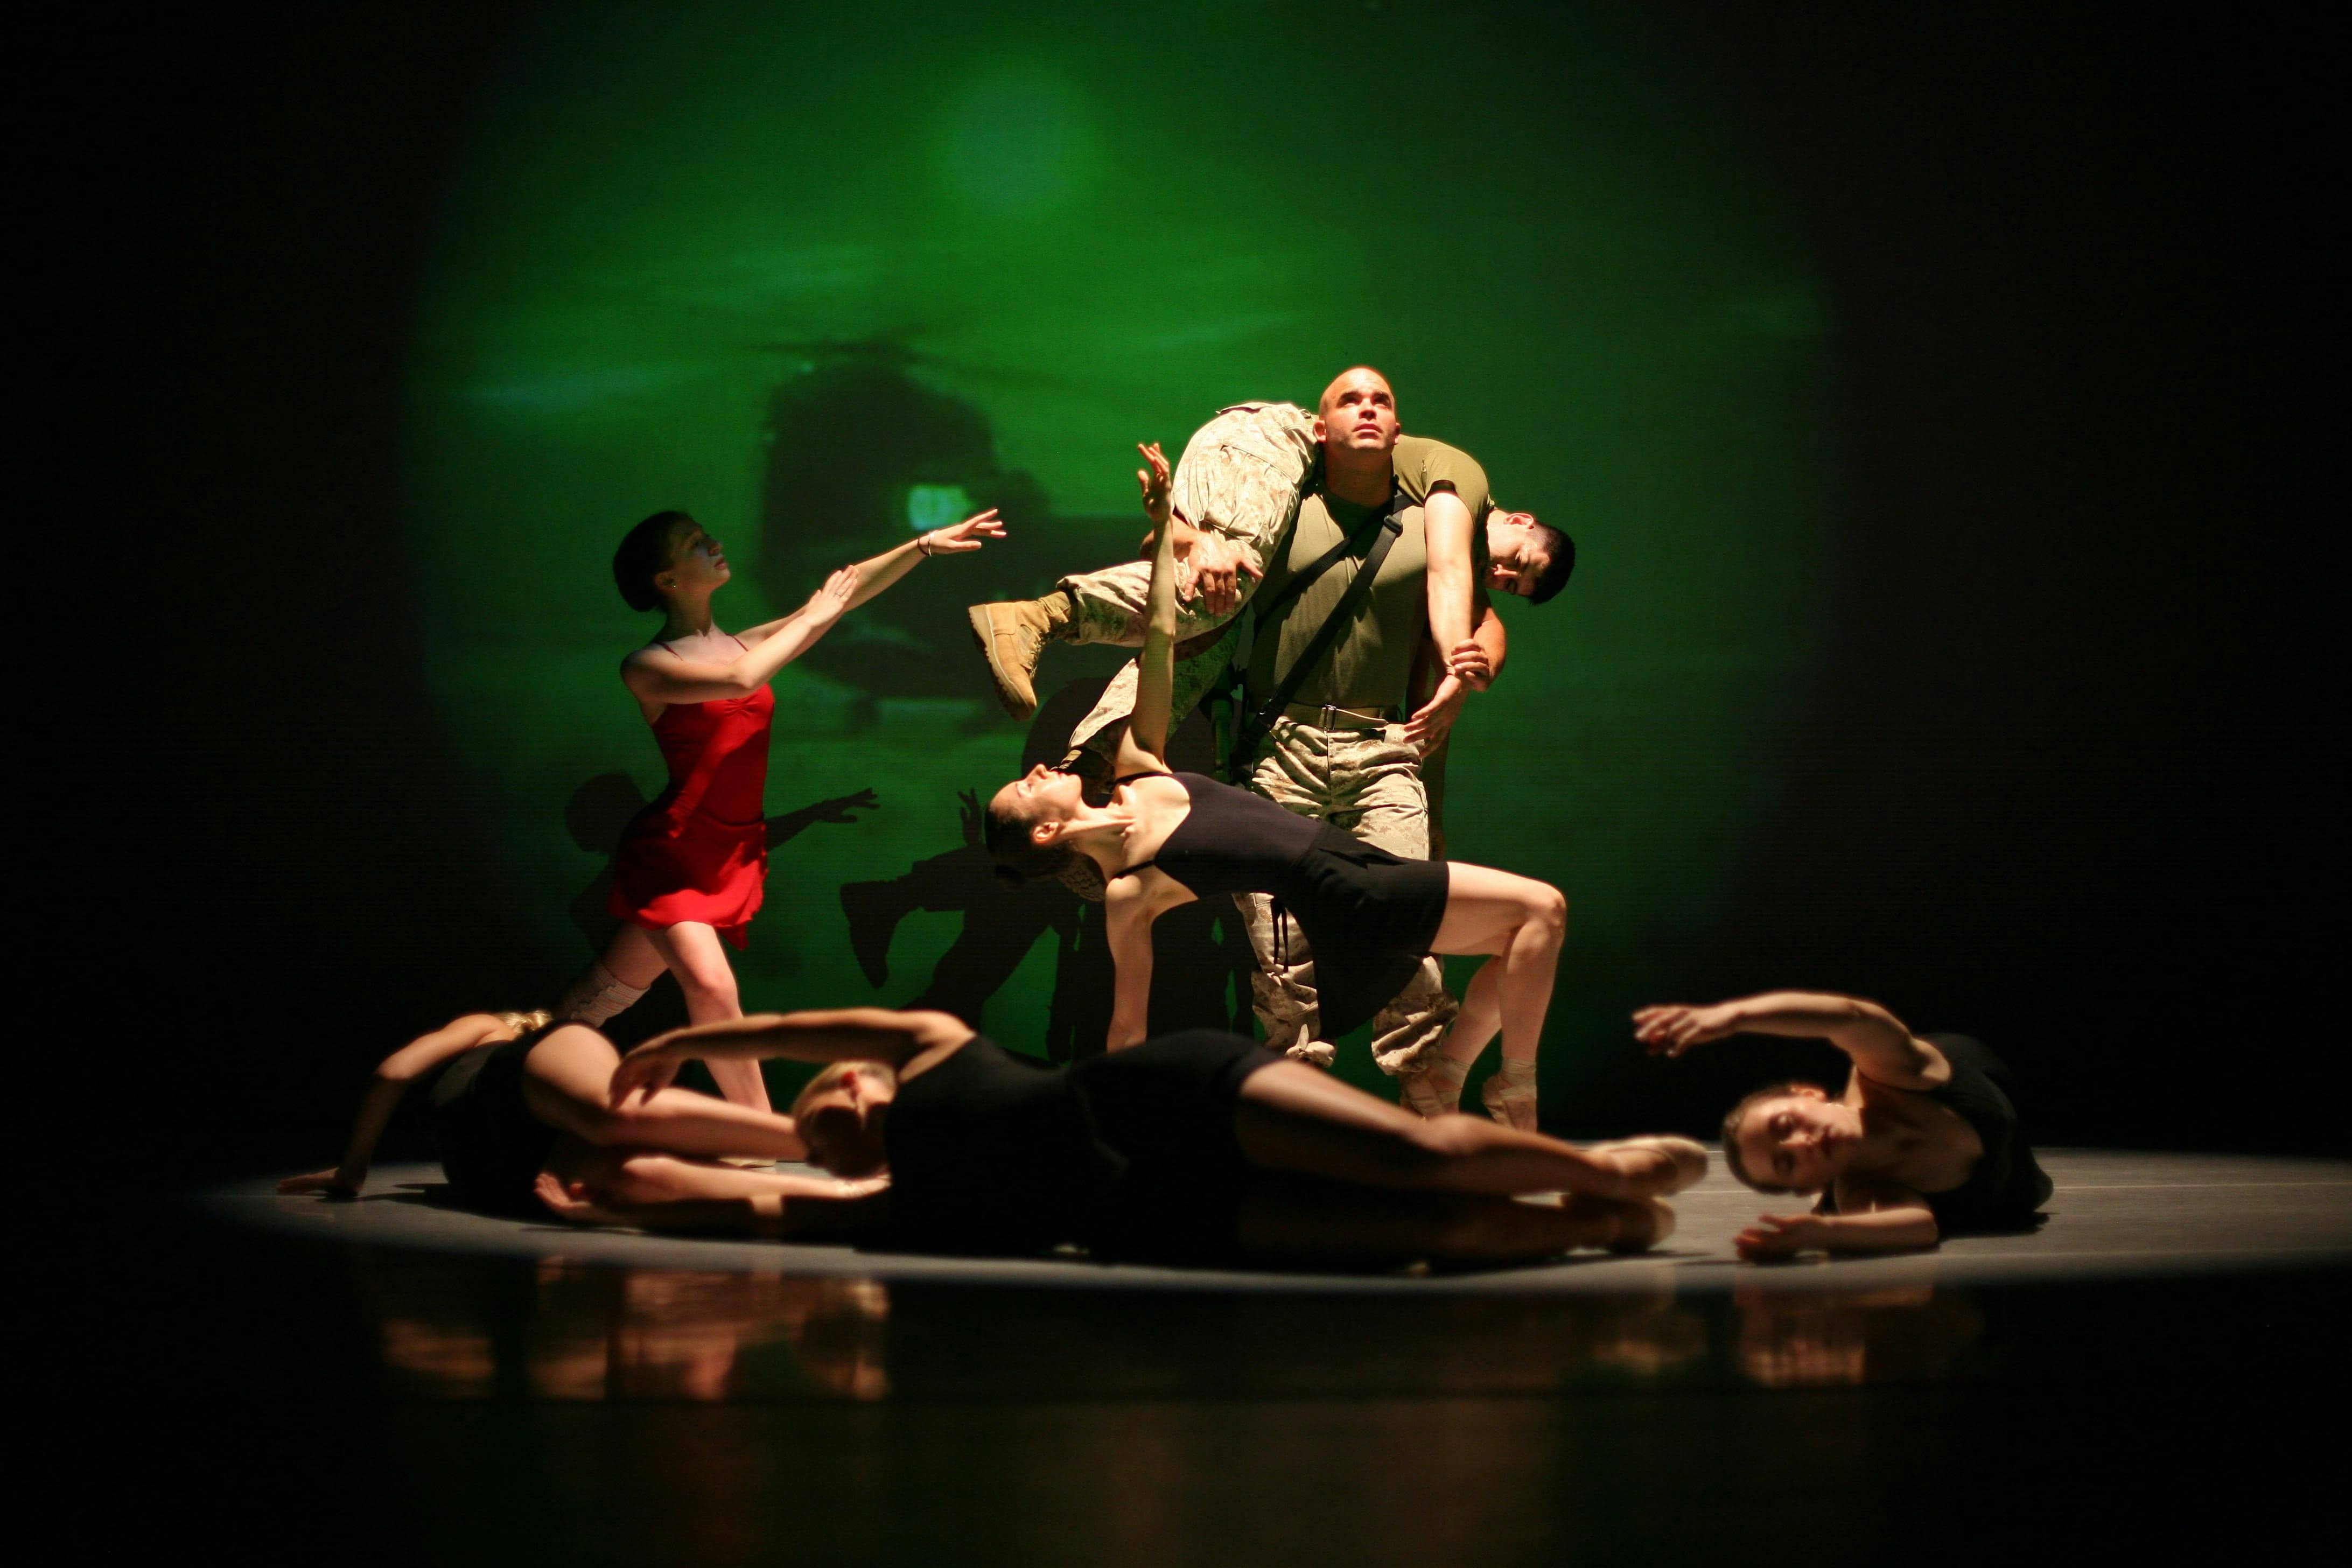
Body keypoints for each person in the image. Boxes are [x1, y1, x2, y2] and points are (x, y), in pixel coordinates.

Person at [982, 443, 1572, 1125]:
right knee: (1539, 913)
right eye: (1024, 788)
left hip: (1360, 871)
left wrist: (1171, 525)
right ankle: (1505, 1090)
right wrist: (1115, 1115)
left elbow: (1163, 634)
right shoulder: (1127, 891)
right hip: (1352, 889)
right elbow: (1126, 1023)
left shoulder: (1139, 768)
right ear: (1047, 830)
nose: (1036, 769)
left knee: (1531, 926)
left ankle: (1457, 1074)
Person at [533, 1006, 1707, 1268]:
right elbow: (762, 1206)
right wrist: (630, 1199)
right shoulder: (896, 1205)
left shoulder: (930, 1047)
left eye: (823, 1110)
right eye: (827, 1145)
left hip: (1162, 1096)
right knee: (1423, 1238)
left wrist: (687, 1039)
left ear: (851, 1081)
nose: (828, 1136)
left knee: (1419, 1157)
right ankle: (1588, 1226)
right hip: (1155, 1217)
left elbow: (805, 1027)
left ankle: (1598, 1170)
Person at [550, 505, 1004, 1110]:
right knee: (712, 987)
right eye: (694, 543)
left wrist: (921, 546)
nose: (714, 543)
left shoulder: (746, 642)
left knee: (603, 993)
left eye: (707, 535)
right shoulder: (648, 667)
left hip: (730, 848)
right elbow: (742, 679)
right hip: (673, 853)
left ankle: (516, 1059)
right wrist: (814, 614)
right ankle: (763, 1136)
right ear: (667, 580)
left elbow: (844, 594)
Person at [277, 1011, 856, 1219]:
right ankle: (855, 1195)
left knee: (612, 1115)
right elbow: (394, 1074)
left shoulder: (491, 1030)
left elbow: (396, 1071)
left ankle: (851, 1143)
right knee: (632, 1176)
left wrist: (354, 1168)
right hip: (512, 1161)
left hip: (508, 1107)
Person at [1634, 991, 2054, 1259]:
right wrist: (1821, 1233)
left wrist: (1735, 1016)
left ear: (1808, 1093)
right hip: (2015, 1182)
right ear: (1808, 1187)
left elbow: (1852, 1017)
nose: (1799, 1144)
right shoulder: (1862, 1192)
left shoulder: (1890, 1075)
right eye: (1787, 1163)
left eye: (1786, 1124)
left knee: (1897, 1047)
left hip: (1988, 1078)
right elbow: (1919, 1226)